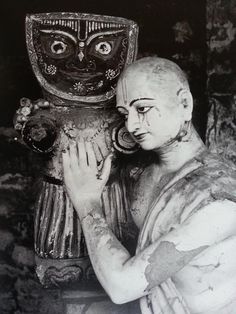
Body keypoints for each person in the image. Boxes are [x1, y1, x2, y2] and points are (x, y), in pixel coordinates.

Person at [62, 57, 236, 314]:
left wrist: (87, 203)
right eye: (124, 114)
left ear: (185, 104)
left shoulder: (220, 198)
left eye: (142, 109)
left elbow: (122, 287)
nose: (131, 125)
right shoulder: (139, 175)